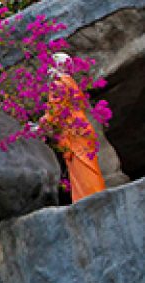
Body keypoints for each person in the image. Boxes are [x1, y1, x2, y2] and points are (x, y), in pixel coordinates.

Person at [41, 52, 106, 202]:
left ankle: (90, 200)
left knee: (82, 170)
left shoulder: (59, 84)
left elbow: (55, 110)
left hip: (74, 133)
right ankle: (94, 198)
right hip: (80, 130)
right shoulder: (70, 82)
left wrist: (40, 126)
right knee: (87, 167)